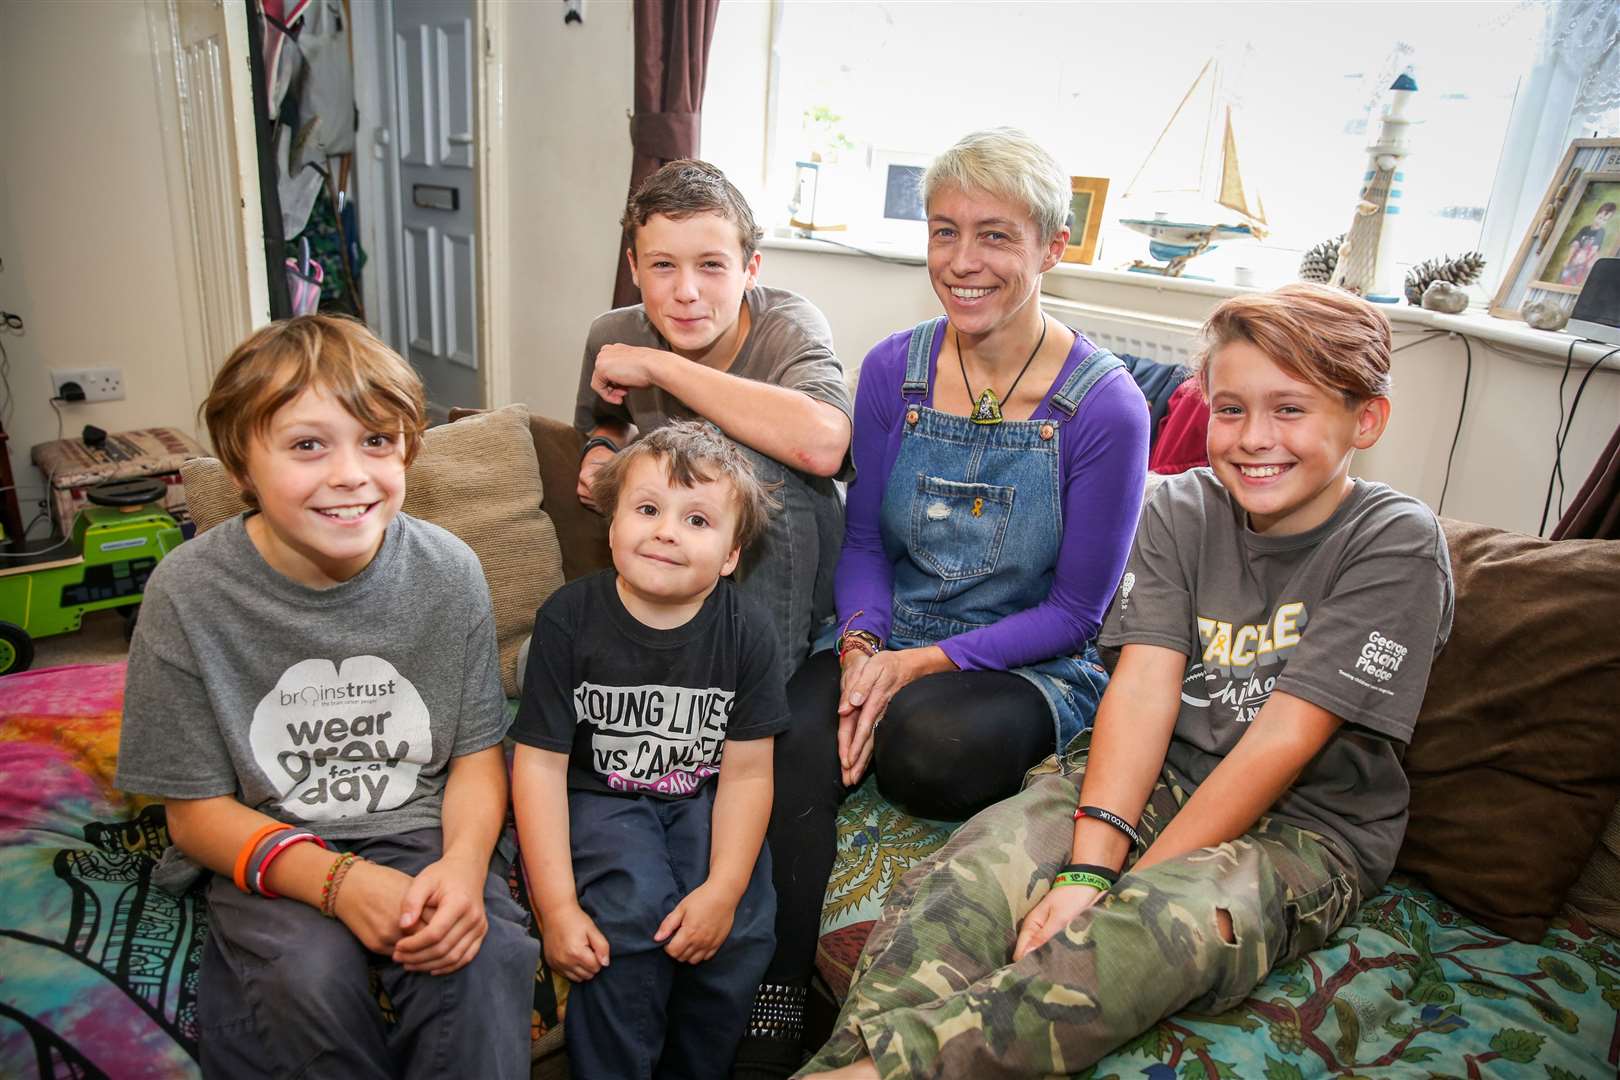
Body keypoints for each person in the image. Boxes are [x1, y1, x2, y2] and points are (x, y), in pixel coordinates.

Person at [798, 282, 1456, 1079]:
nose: (1254, 439)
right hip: (1155, 777)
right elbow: (1141, 694)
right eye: (1231, 408)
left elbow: (1280, 743)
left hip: (1304, 826)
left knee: (1153, 930)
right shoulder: (1182, 507)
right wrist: (1084, 867)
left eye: (1291, 410)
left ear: (1366, 420)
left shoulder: (1394, 541)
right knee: (963, 883)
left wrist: (1116, 894)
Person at [749, 128, 1150, 1077]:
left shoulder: (1106, 407)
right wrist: (858, 648)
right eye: (943, 232)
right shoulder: (893, 369)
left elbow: (1077, 614)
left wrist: (916, 666)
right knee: (788, 727)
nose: (963, 264)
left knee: (933, 745)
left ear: (1054, 246)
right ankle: (772, 1002)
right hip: (894, 631)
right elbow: (864, 545)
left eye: (996, 236)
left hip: (1028, 659)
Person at [116, 315, 537, 1079]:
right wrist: (338, 884)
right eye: (309, 445)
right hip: (270, 836)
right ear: (242, 463)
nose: (350, 473)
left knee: (486, 957)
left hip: (421, 831)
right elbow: (194, 813)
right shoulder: (188, 592)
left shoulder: (450, 570)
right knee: (302, 977)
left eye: (376, 441)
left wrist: (466, 867)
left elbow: (479, 756)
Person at [511, 421, 789, 1080]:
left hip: (702, 794)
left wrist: (723, 890)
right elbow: (540, 769)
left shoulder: (748, 631)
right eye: (647, 510)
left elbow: (749, 776)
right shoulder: (567, 620)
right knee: (631, 917)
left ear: (730, 555)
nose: (666, 530)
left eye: (697, 519)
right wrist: (557, 911)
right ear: (611, 528)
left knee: (741, 926)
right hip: (598, 794)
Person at [575, 159, 852, 676]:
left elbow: (825, 444)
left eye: (711, 265)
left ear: (750, 269)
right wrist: (601, 448)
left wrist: (661, 366)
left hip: (799, 572)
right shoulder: (613, 335)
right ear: (633, 267)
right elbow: (606, 418)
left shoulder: (789, 325)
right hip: (690, 559)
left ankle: (770, 683)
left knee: (740, 460)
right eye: (662, 266)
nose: (686, 292)